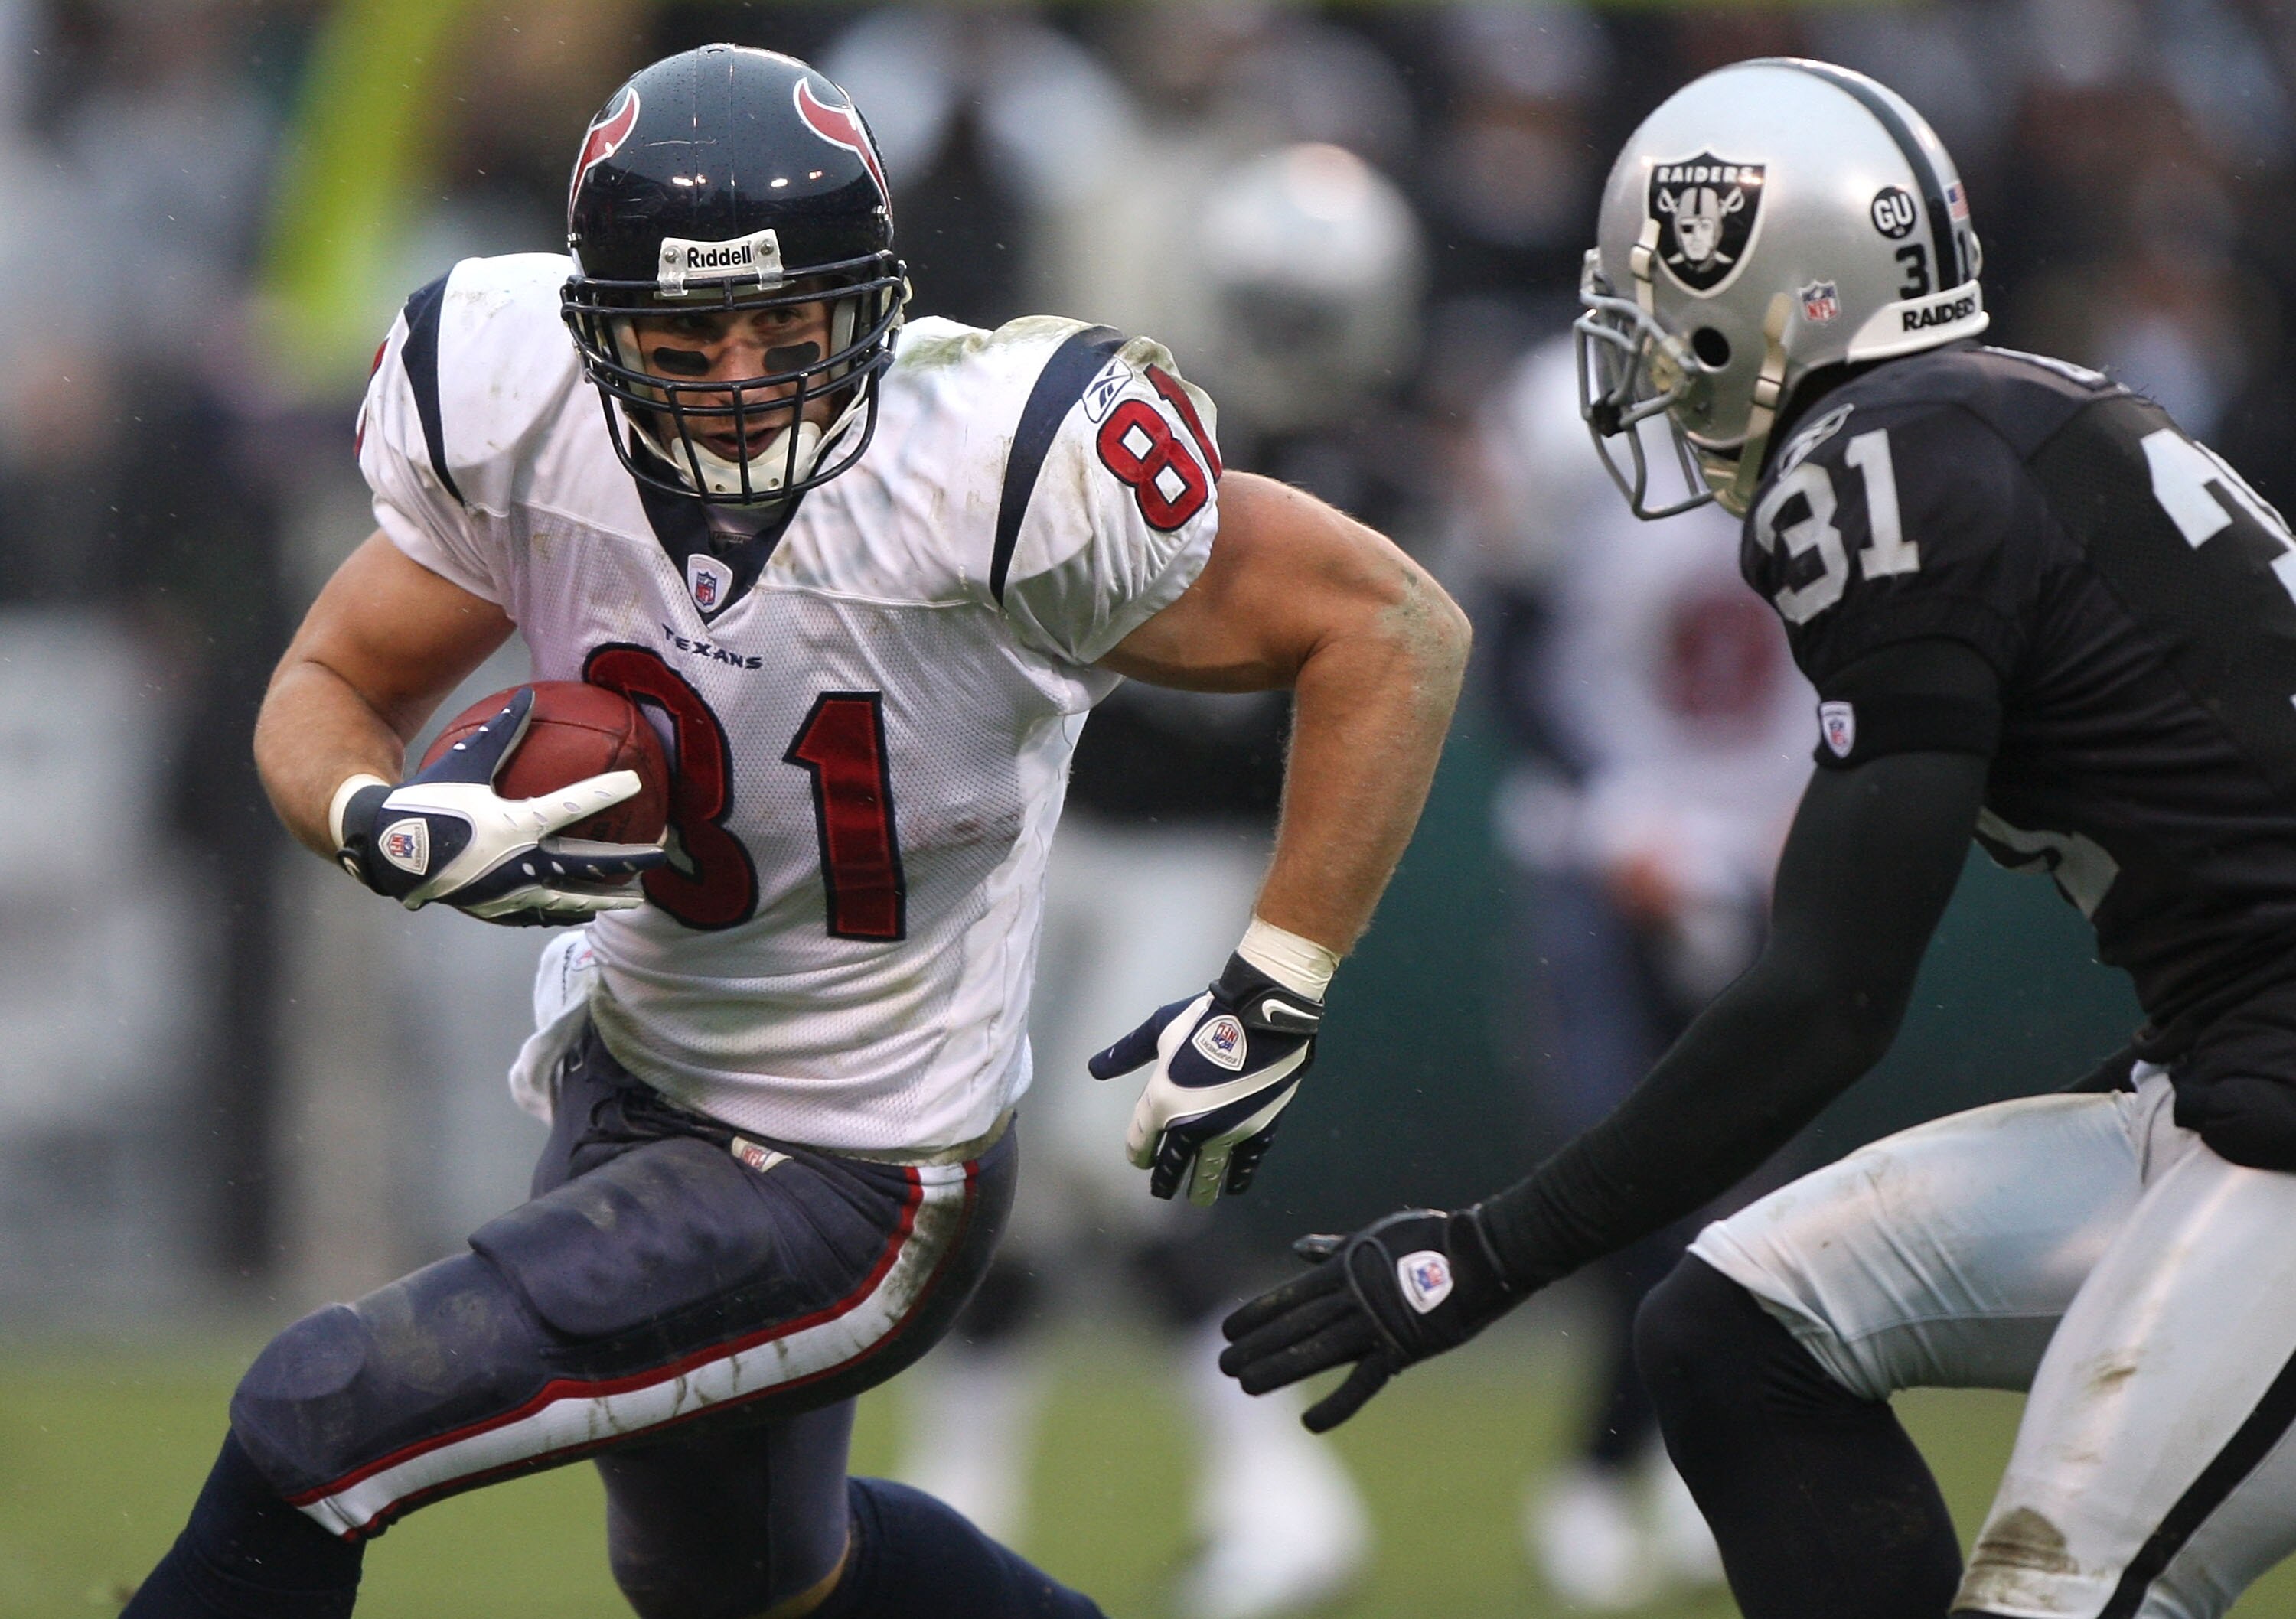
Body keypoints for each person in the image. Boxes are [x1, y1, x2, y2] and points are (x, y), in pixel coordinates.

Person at [121, 44, 1469, 1619]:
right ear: (599, 328)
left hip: (857, 1163)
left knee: (324, 1411)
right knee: (736, 1577)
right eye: (688, 340)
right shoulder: (516, 400)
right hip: (631, 1069)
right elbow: (333, 683)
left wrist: (1279, 979)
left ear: (872, 309)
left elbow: (1389, 623)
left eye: (790, 329)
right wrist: (380, 819)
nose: (747, 380)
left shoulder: (993, 463)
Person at [1220, 54, 2296, 1619]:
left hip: (2278, 1112)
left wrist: (1487, 1251)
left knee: (2054, 1596)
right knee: (1735, 1318)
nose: (1652, 363)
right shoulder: (1998, 412)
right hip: (2229, 1074)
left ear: (1780, 294)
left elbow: (1828, 998)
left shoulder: (1881, 460)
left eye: (1667, 312)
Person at [896, 141, 1423, 1619]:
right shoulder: (1178, 426)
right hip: (1061, 828)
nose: (1286, 339)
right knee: (991, 1157)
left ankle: (1281, 1487)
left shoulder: (1370, 476)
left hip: (1203, 851)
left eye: (1308, 312)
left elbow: (1281, 696)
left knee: (1105, 1163)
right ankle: (968, 1482)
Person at [1470, 335, 1809, 1608]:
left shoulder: (1843, 430)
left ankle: (1650, 1466)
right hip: (1600, 861)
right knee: (1622, 1181)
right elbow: (1511, 660)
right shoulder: (1577, 417)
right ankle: (1615, 1467)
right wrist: (1626, 824)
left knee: (1739, 1205)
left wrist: (1814, 819)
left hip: (1766, 865)